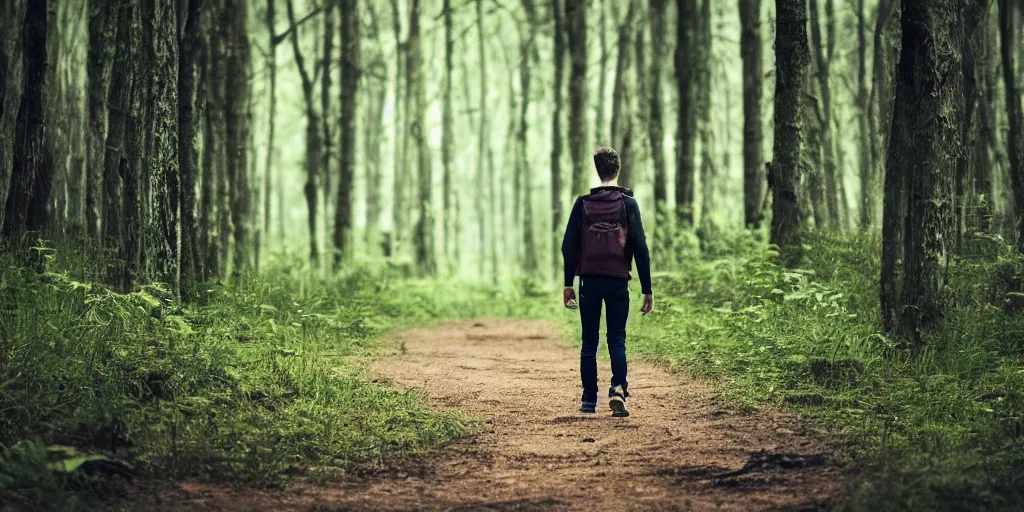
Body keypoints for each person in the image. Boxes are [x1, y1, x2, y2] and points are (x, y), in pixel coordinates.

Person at [561, 147, 653, 417]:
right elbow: (640, 247)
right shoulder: (629, 204)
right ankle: (617, 389)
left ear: (597, 169)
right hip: (617, 281)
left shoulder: (582, 203)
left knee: (589, 341)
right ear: (618, 170)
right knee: (616, 338)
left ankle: (589, 399)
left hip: (589, 281)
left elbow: (569, 246)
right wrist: (647, 288)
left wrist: (568, 283)